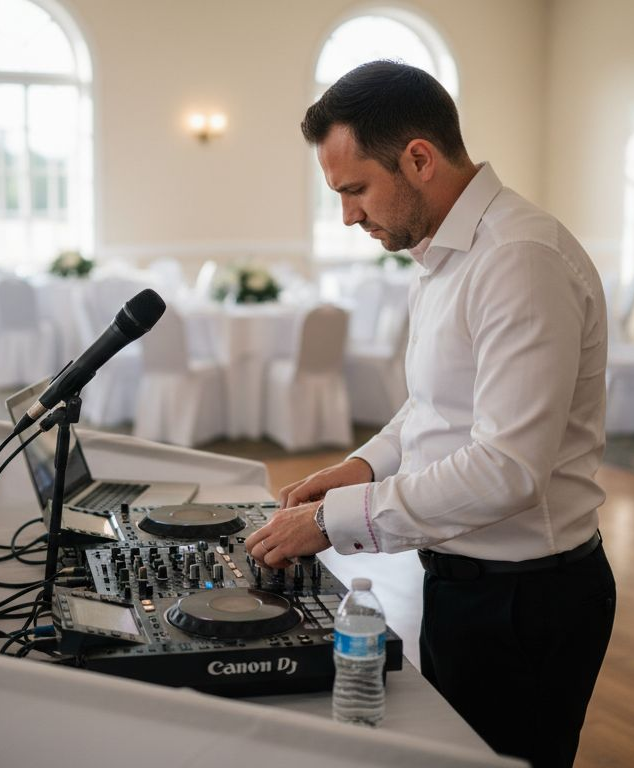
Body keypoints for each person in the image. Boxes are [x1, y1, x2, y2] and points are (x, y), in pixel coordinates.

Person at [243, 61, 615, 768]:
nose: (348, 214)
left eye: (355, 189)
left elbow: (507, 469)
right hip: (461, 581)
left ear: (419, 158)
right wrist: (360, 466)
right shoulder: (444, 254)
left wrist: (328, 521)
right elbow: (435, 407)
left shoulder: (519, 258)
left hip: (527, 603)